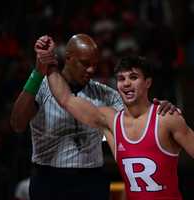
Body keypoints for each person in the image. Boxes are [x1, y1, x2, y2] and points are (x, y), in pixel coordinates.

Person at [11, 34, 178, 200]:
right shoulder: (41, 87)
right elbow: (17, 124)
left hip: (91, 179)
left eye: (94, 65)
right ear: (68, 58)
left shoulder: (106, 94)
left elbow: (139, 116)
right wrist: (37, 73)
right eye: (85, 64)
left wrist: (160, 108)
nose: (91, 70)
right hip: (49, 179)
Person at [44, 51, 194, 200]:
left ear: (148, 82)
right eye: (121, 79)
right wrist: (49, 63)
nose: (126, 83)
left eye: (133, 77)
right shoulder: (110, 119)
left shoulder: (166, 118)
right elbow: (66, 99)